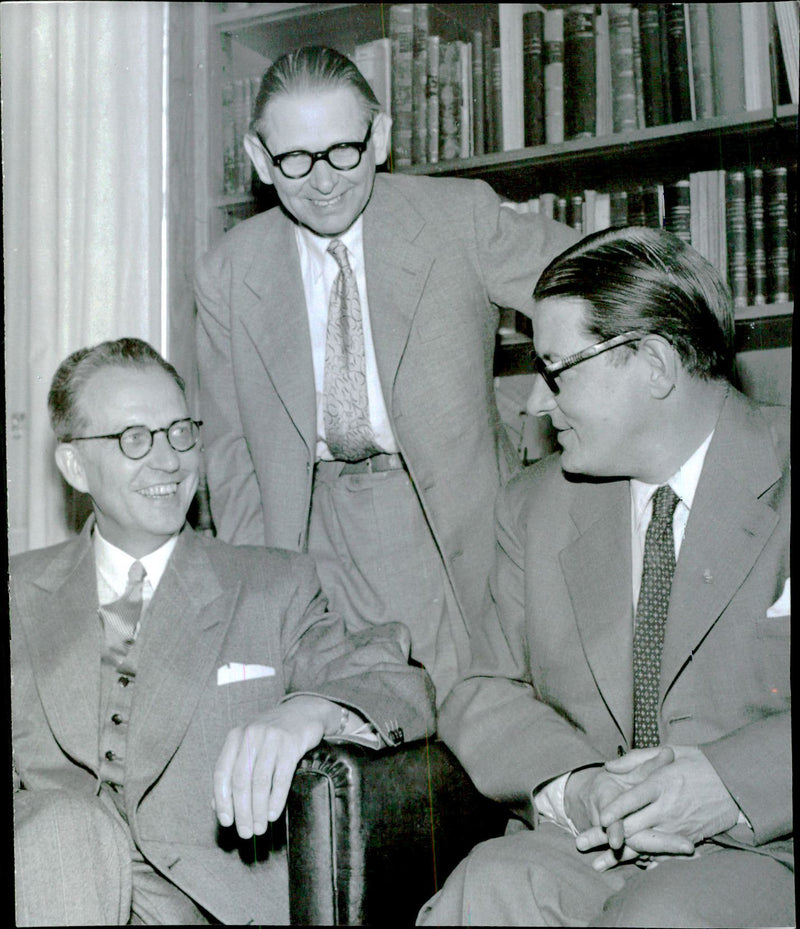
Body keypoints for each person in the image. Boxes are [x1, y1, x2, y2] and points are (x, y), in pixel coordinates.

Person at [417, 227, 792, 927]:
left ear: (653, 364)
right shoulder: (534, 506)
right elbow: (484, 689)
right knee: (487, 885)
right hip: (595, 846)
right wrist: (578, 785)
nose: (536, 403)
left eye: (558, 370)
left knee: (658, 916)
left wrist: (730, 780)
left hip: (771, 845)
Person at [194, 45, 579, 701]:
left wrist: (555, 385)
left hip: (448, 527)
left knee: (478, 721)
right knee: (339, 729)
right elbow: (231, 456)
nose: (323, 181)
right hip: (309, 535)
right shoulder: (228, 271)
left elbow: (611, 280)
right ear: (260, 159)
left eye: (344, 150)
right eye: (295, 159)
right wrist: (264, 592)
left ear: (380, 138)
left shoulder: (459, 218)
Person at [11, 337, 435, 926]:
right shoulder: (17, 593)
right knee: (64, 829)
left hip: (208, 909)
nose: (169, 461)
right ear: (75, 466)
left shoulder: (270, 584)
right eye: (134, 438)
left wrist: (310, 710)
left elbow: (396, 681)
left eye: (179, 432)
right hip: (52, 887)